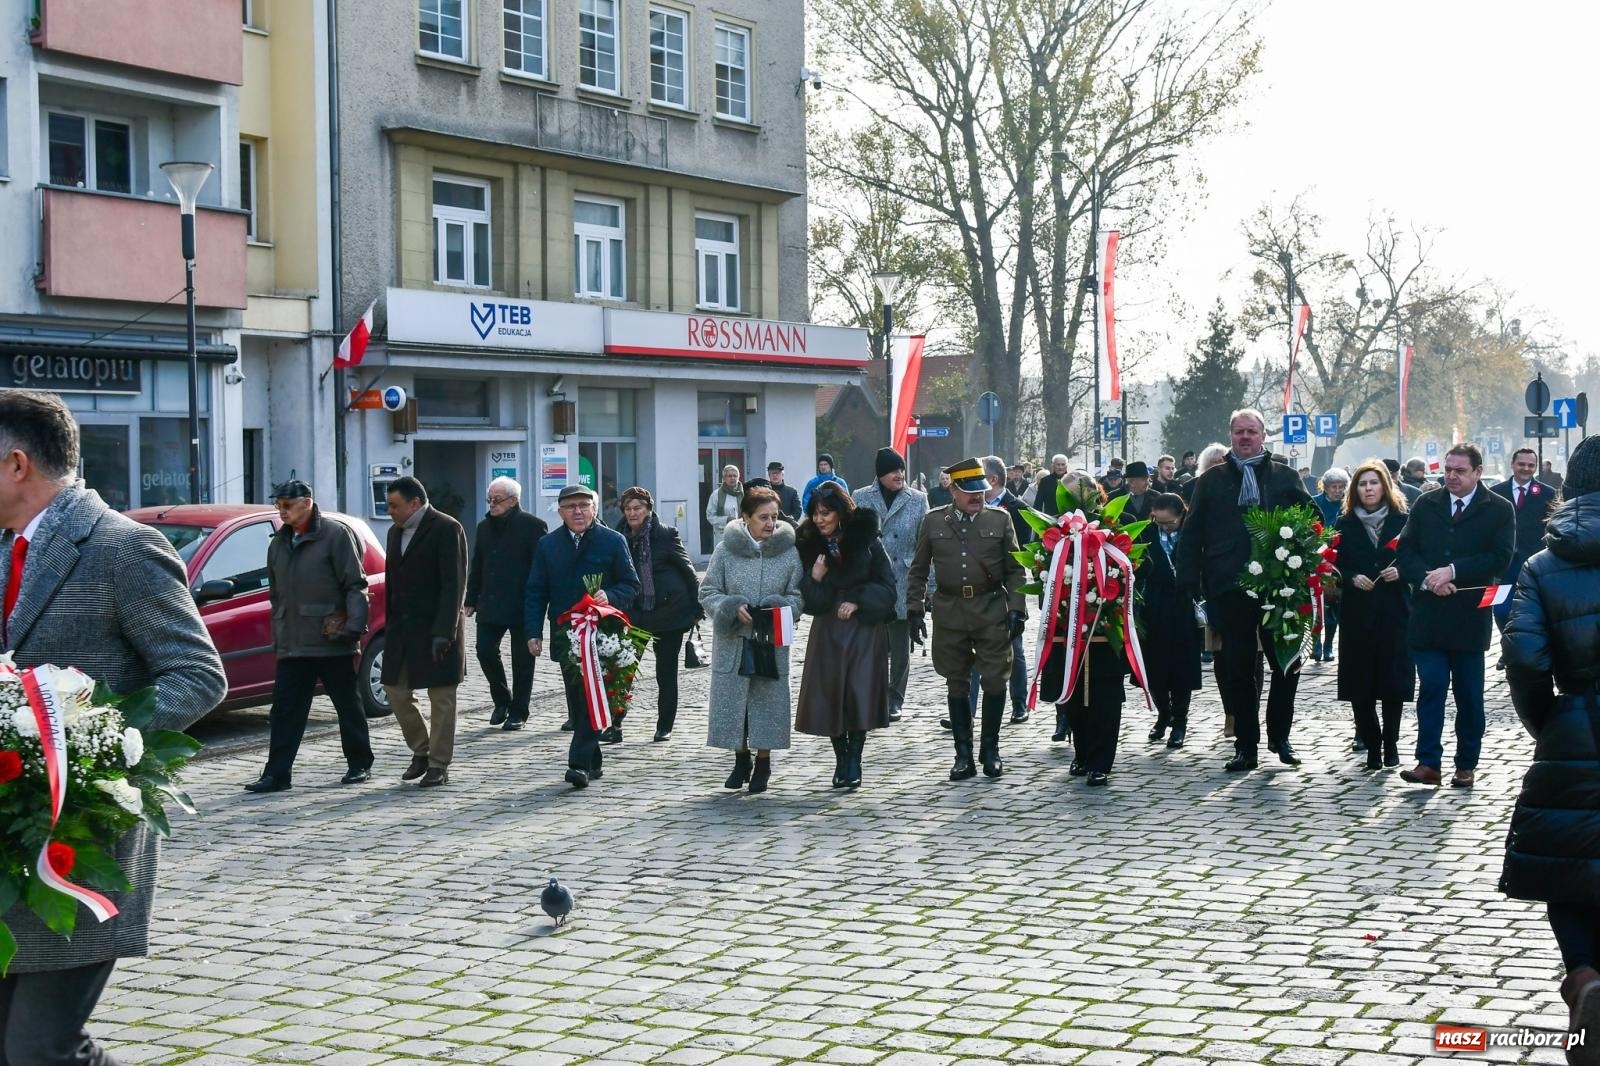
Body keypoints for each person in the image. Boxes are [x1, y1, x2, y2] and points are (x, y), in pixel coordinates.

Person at [0, 389, 226, 1064]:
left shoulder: (122, 547)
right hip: (12, 840)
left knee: (43, 1050)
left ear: (16, 464)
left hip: (80, 841)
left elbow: (197, 674)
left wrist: (91, 745)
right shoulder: (7, 546)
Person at [1500, 433, 1600, 1042]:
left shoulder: (1543, 564)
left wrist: (1549, 724)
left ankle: (1584, 977)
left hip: (1574, 722)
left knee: (1569, 866)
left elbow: (1526, 659)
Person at [1174, 408, 1314, 773]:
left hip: (1278, 586)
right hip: (1229, 586)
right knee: (1237, 669)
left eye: (1252, 431)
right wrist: (1190, 578)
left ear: (1263, 436)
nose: (1246, 437)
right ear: (1231, 436)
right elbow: (1191, 533)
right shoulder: (1211, 480)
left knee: (1286, 664)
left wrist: (1306, 567)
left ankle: (1280, 736)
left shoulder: (1284, 476)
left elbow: (1312, 523)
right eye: (1239, 432)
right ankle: (1245, 745)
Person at [1395, 443, 1514, 788]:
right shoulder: (1426, 503)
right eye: (1448, 470)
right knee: (1431, 686)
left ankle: (1466, 764)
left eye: (1459, 471)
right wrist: (1427, 578)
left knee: (1469, 694)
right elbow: (1406, 551)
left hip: (1468, 618)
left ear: (1478, 472)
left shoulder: (1498, 509)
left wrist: (1453, 571)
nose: (1451, 476)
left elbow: (1500, 557)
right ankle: (1428, 762)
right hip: (1428, 616)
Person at [244, 479, 374, 792]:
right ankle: (277, 774)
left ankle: (359, 763)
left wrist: (353, 629)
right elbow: (277, 594)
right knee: (285, 709)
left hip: (332, 639)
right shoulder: (278, 542)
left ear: (307, 502)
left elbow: (356, 584)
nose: (281, 511)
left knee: (347, 704)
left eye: (287, 505)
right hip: (293, 643)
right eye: (278, 505)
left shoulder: (335, 535)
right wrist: (280, 629)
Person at [907, 458, 1027, 780]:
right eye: (970, 492)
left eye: (982, 491)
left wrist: (1017, 607)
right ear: (953, 490)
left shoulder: (1000, 521)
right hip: (950, 612)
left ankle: (990, 750)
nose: (978, 497)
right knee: (956, 679)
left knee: (994, 678)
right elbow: (918, 569)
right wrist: (914, 608)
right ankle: (963, 755)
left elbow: (1016, 569)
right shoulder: (934, 522)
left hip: (990, 609)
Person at [525, 485, 640, 787]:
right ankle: (594, 761)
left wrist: (610, 595)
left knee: (592, 696)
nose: (578, 511)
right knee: (578, 700)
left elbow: (632, 584)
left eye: (583, 505)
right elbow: (536, 590)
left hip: (603, 634)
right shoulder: (547, 545)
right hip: (566, 634)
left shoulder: (613, 541)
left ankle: (578, 764)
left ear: (595, 509)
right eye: (570, 506)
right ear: (560, 512)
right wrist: (533, 632)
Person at [699, 487, 803, 793]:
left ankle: (764, 762)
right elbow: (707, 592)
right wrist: (731, 607)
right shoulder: (725, 550)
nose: (770, 523)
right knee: (735, 704)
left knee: (766, 701)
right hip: (734, 640)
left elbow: (797, 596)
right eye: (763, 517)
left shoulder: (789, 552)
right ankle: (740, 758)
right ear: (745, 518)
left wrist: (780, 607)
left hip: (770, 639)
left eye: (774, 517)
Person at [795, 484, 896, 787]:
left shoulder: (866, 540)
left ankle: (855, 759)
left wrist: (859, 600)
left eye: (825, 513)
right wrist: (814, 579)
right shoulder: (809, 545)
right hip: (827, 629)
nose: (818, 519)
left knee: (858, 691)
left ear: (841, 513)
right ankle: (841, 759)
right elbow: (809, 601)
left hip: (864, 630)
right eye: (814, 513)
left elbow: (888, 587)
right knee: (830, 693)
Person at [383, 476, 468, 788]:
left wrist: (444, 631)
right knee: (395, 690)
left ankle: (438, 764)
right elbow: (393, 581)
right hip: (402, 631)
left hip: (438, 629)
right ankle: (421, 749)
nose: (389, 511)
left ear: (414, 503)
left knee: (441, 698)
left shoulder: (447, 528)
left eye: (394, 505)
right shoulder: (394, 533)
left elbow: (454, 585)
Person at [1335, 461, 1414, 770]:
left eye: (1373, 483)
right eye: (1362, 484)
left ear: (1385, 486)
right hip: (1358, 612)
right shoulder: (1345, 523)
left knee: (1393, 679)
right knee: (1360, 681)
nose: (1368, 488)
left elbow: (1417, 558)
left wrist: (1402, 571)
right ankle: (1372, 742)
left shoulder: (1403, 521)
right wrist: (1351, 576)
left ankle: (1392, 743)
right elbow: (1334, 563)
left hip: (1394, 609)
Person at [617, 486, 700, 742]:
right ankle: (615, 723)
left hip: (669, 613)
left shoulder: (665, 534)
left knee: (666, 672)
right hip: (635, 613)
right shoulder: (618, 537)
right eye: (628, 509)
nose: (632, 513)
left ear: (648, 509)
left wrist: (697, 608)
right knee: (623, 670)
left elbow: (688, 571)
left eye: (638, 508)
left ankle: (665, 725)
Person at [465, 475, 547, 731]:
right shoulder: (484, 527)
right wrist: (471, 598)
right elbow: (477, 564)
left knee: (523, 661)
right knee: (484, 650)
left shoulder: (534, 526)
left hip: (523, 604)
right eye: (489, 499)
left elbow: (540, 568)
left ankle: (519, 712)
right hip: (490, 601)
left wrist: (540, 600)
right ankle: (502, 700)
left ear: (513, 500)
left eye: (497, 499)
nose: (492, 504)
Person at [853, 447, 928, 722]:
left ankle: (895, 697)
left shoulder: (918, 499)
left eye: (901, 469)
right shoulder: (861, 497)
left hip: (903, 579)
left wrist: (926, 592)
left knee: (899, 645)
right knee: (871, 643)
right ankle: (871, 694)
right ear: (880, 474)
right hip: (871, 580)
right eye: (893, 470)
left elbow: (925, 546)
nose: (899, 474)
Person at [970, 455, 1032, 723]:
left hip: (1005, 589)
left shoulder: (1016, 508)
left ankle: (1020, 703)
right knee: (971, 649)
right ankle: (967, 709)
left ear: (992, 479)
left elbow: (1020, 555)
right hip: (974, 589)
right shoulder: (972, 505)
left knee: (1014, 648)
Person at [1139, 493, 1203, 750]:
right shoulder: (1146, 533)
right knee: (1154, 668)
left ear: (1181, 515)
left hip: (1183, 607)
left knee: (1181, 669)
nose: (1164, 527)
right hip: (1153, 607)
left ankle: (1180, 722)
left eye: (1169, 523)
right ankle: (1162, 714)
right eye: (1159, 522)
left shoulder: (1192, 532)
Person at [1489, 447, 1557, 634]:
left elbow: (1553, 526)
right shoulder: (1495, 492)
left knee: (1535, 611)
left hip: (1535, 563)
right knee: (1500, 610)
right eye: (1521, 464)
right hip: (1502, 565)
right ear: (1512, 464)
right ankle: (1507, 644)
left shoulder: (1548, 494)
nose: (1526, 468)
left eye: (1531, 465)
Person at [1310, 468, 1349, 662]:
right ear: (1325, 487)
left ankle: (1328, 647)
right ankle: (1315, 645)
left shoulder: (1348, 504)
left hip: (1339, 560)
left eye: (1341, 487)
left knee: (1333, 604)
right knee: (1317, 604)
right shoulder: (1315, 502)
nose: (1338, 490)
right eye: (1334, 486)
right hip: (1317, 559)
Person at [705, 465, 743, 537]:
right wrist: (726, 520)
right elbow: (710, 516)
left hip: (741, 533)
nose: (732, 478)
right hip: (723, 534)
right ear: (724, 478)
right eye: (729, 476)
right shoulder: (716, 495)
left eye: (735, 476)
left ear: (738, 478)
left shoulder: (744, 494)